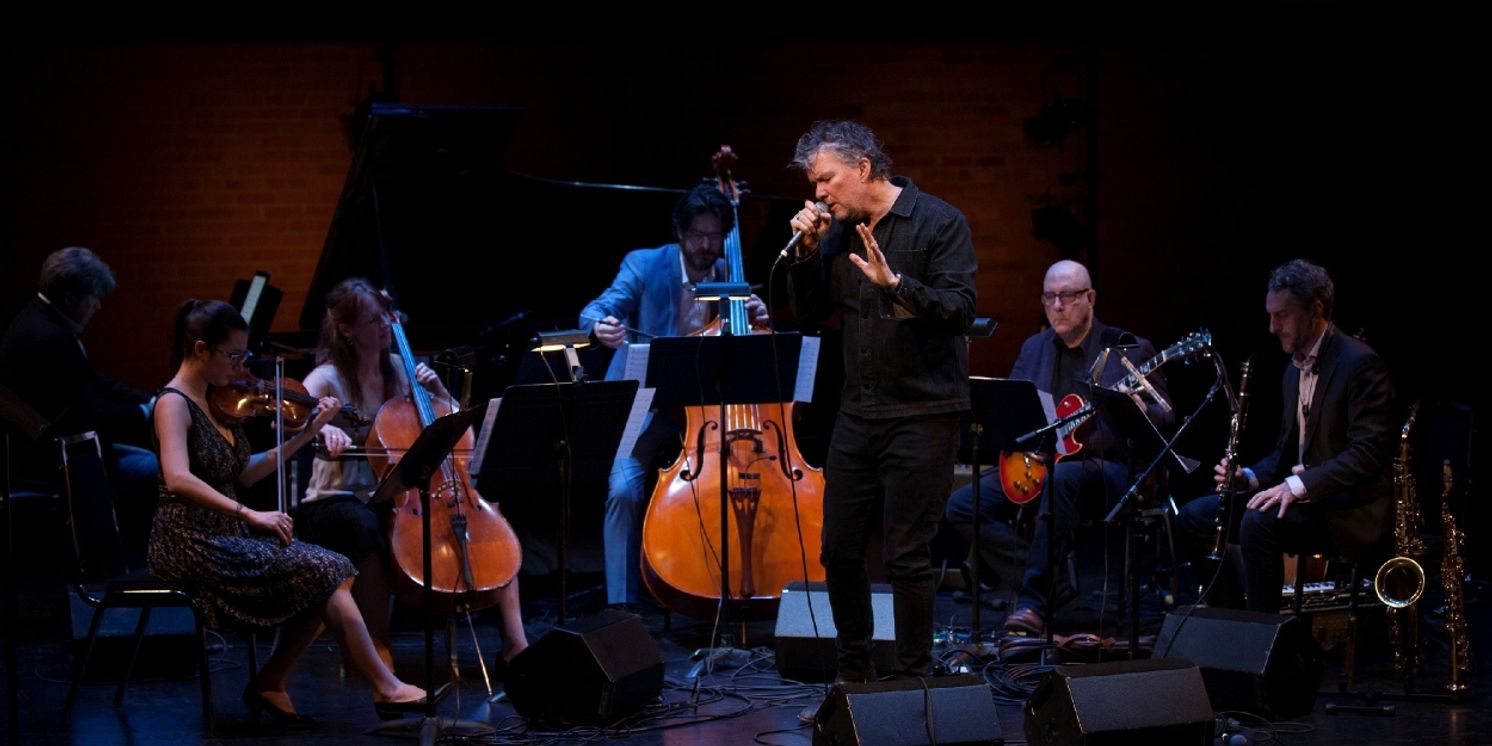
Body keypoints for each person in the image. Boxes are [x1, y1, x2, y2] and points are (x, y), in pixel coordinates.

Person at [149, 299, 429, 726]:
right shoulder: (173, 402)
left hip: (225, 535)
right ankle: (381, 686)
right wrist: (251, 515)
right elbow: (177, 478)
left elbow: (243, 472)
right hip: (190, 542)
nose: (241, 369)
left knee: (333, 569)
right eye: (234, 356)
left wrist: (308, 433)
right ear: (202, 349)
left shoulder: (214, 401)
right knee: (327, 570)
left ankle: (276, 681)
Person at [785, 120, 977, 681]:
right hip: (857, 412)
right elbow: (808, 310)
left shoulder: (939, 222)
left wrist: (897, 286)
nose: (818, 193)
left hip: (923, 412)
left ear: (863, 168)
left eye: (825, 179)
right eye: (814, 182)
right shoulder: (837, 233)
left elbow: (961, 309)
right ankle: (855, 676)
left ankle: (913, 680)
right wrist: (805, 255)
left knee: (906, 556)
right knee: (839, 552)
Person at [299, 278, 528, 669]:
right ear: (346, 330)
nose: (385, 328)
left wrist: (439, 388)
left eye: (387, 320)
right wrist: (322, 426)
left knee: (490, 520)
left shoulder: (398, 369)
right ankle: (377, 646)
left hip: (399, 493)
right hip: (338, 497)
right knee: (366, 527)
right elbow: (291, 419)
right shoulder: (328, 377)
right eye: (374, 322)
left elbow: (454, 427)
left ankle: (516, 646)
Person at [945, 259, 1175, 637]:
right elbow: (1016, 412)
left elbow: (1167, 418)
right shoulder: (1034, 348)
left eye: (1067, 296)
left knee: (1064, 478)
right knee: (961, 506)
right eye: (1050, 297)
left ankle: (1034, 601)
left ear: (1090, 298)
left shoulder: (1125, 348)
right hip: (1042, 463)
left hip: (1108, 468)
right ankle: (1055, 587)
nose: (1057, 306)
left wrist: (1142, 408)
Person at [579, 184, 769, 608]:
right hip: (648, 405)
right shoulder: (645, 265)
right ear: (680, 233)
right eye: (698, 235)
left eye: (715, 236)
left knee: (735, 486)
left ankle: (716, 587)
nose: (706, 246)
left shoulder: (727, 272)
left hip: (707, 413)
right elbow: (597, 308)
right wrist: (598, 327)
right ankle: (622, 606)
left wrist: (758, 318)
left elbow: (744, 349)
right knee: (624, 490)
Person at [1177, 259, 1394, 612]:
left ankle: (1267, 641)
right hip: (1311, 502)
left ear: (1316, 310)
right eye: (1270, 315)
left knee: (1258, 523)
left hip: (1347, 508)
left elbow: (1366, 455)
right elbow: (1285, 452)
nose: (1272, 327)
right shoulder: (1292, 371)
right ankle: (1233, 622)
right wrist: (1248, 477)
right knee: (1194, 517)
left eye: (1283, 316)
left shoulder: (1359, 363)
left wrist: (1296, 486)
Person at [0, 247, 157, 561]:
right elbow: (88, 415)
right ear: (71, 296)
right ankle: (138, 562)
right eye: (94, 296)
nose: (98, 305)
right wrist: (144, 413)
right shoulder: (50, 338)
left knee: (150, 457)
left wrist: (150, 399)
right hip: (54, 459)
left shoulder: (40, 319)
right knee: (157, 469)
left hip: (59, 444)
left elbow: (94, 382)